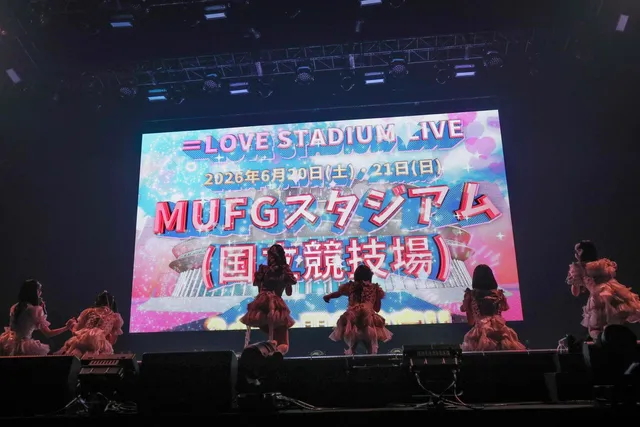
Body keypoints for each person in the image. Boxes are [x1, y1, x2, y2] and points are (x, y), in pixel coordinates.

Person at [566, 240, 640, 340]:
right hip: (614, 291)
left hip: (600, 295)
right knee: (613, 321)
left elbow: (575, 292)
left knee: (596, 328)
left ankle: (607, 342)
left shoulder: (579, 268)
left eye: (578, 251)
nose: (576, 254)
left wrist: (575, 279)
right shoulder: (602, 264)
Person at [323, 264, 392, 355]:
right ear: (369, 276)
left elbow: (338, 293)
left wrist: (328, 296)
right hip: (368, 318)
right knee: (369, 344)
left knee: (353, 343)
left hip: (352, 318)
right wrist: (372, 302)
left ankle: (352, 358)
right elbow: (377, 308)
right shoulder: (375, 289)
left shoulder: (350, 286)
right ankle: (370, 359)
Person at [240, 244, 296, 355]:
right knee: (282, 342)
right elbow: (289, 292)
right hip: (274, 304)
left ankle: (259, 353)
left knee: (275, 338)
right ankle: (270, 354)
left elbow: (260, 289)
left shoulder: (265, 270)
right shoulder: (283, 270)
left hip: (261, 305)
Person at [0, 279, 76, 356]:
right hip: (25, 346)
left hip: (9, 343)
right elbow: (48, 333)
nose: (40, 293)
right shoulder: (35, 310)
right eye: (39, 290)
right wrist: (66, 327)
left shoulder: (14, 307)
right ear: (34, 293)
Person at [460, 264, 525, 351]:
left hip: (481, 331)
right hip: (500, 330)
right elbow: (504, 309)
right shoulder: (499, 294)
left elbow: (470, 319)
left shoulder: (471, 295)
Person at [57, 291, 124, 358]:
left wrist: (72, 326)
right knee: (94, 358)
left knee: (75, 355)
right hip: (98, 341)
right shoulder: (115, 317)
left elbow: (77, 330)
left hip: (83, 338)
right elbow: (113, 340)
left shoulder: (89, 311)